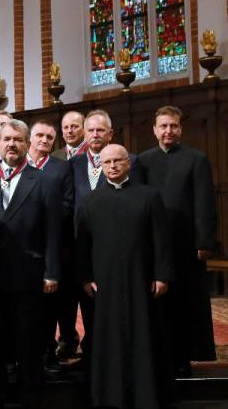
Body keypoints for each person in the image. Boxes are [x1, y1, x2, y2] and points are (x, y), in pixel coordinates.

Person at [0, 120, 61, 409]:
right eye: (6, 139)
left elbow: (53, 231)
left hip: (28, 275)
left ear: (28, 143)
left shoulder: (44, 180)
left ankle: (31, 397)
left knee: (28, 343)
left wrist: (52, 272)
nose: (12, 144)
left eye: (18, 140)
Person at [77, 144, 173, 408]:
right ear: (101, 167)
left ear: (128, 163)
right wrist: (85, 277)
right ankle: (110, 396)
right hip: (105, 285)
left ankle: (146, 395)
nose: (113, 166)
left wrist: (161, 275)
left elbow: (161, 240)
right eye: (107, 163)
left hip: (142, 282)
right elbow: (83, 245)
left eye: (118, 161)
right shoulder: (91, 200)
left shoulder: (149, 196)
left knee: (145, 336)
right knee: (108, 340)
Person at [139, 106, 218, 376]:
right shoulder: (144, 160)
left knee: (186, 303)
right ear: (154, 130)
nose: (168, 131)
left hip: (186, 245)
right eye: (163, 126)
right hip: (152, 244)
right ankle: (158, 356)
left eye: (173, 126)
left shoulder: (196, 159)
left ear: (180, 129)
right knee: (157, 303)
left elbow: (205, 203)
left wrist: (205, 241)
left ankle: (184, 356)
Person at [70, 109, 143, 363]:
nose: (95, 135)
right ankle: (92, 355)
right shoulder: (74, 163)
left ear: (110, 133)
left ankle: (120, 357)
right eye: (90, 130)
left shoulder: (128, 160)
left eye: (100, 130)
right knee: (88, 305)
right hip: (85, 245)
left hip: (118, 249)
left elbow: (136, 202)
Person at [27, 120, 77, 368]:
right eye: (39, 135)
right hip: (22, 247)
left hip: (52, 244)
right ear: (30, 137)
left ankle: (48, 351)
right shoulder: (19, 164)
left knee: (50, 305)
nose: (44, 140)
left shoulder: (61, 168)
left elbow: (68, 205)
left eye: (49, 137)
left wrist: (41, 218)